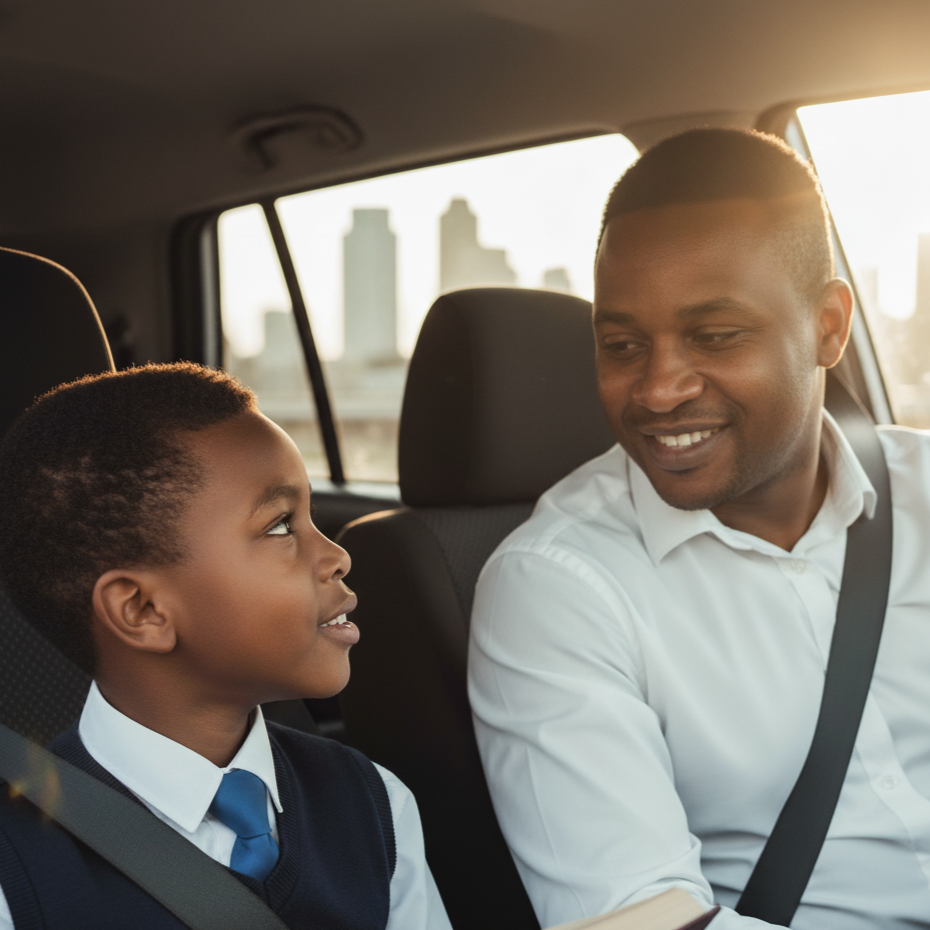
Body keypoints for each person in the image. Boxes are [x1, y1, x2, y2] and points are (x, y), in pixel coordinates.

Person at [468, 128, 930, 929]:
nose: (659, 388)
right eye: (622, 346)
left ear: (827, 326)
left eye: (715, 337)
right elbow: (641, 918)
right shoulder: (557, 583)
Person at [0, 362, 452, 930]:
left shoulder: (373, 803)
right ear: (143, 610)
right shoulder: (17, 868)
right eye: (282, 526)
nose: (338, 556)